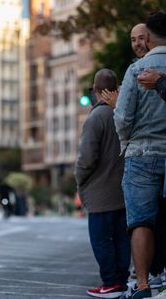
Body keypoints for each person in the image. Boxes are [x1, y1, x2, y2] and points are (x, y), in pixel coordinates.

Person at [114, 12, 166, 299]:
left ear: (148, 37)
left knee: (140, 221)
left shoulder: (138, 69)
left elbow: (122, 117)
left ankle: (143, 285)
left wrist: (126, 143)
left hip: (142, 151)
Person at [75, 69, 130, 298]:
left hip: (99, 193)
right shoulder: (122, 113)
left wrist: (79, 178)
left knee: (101, 239)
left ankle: (110, 282)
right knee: (121, 238)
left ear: (95, 91)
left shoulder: (96, 117)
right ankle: (121, 282)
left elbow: (87, 157)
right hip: (123, 189)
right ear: (116, 90)